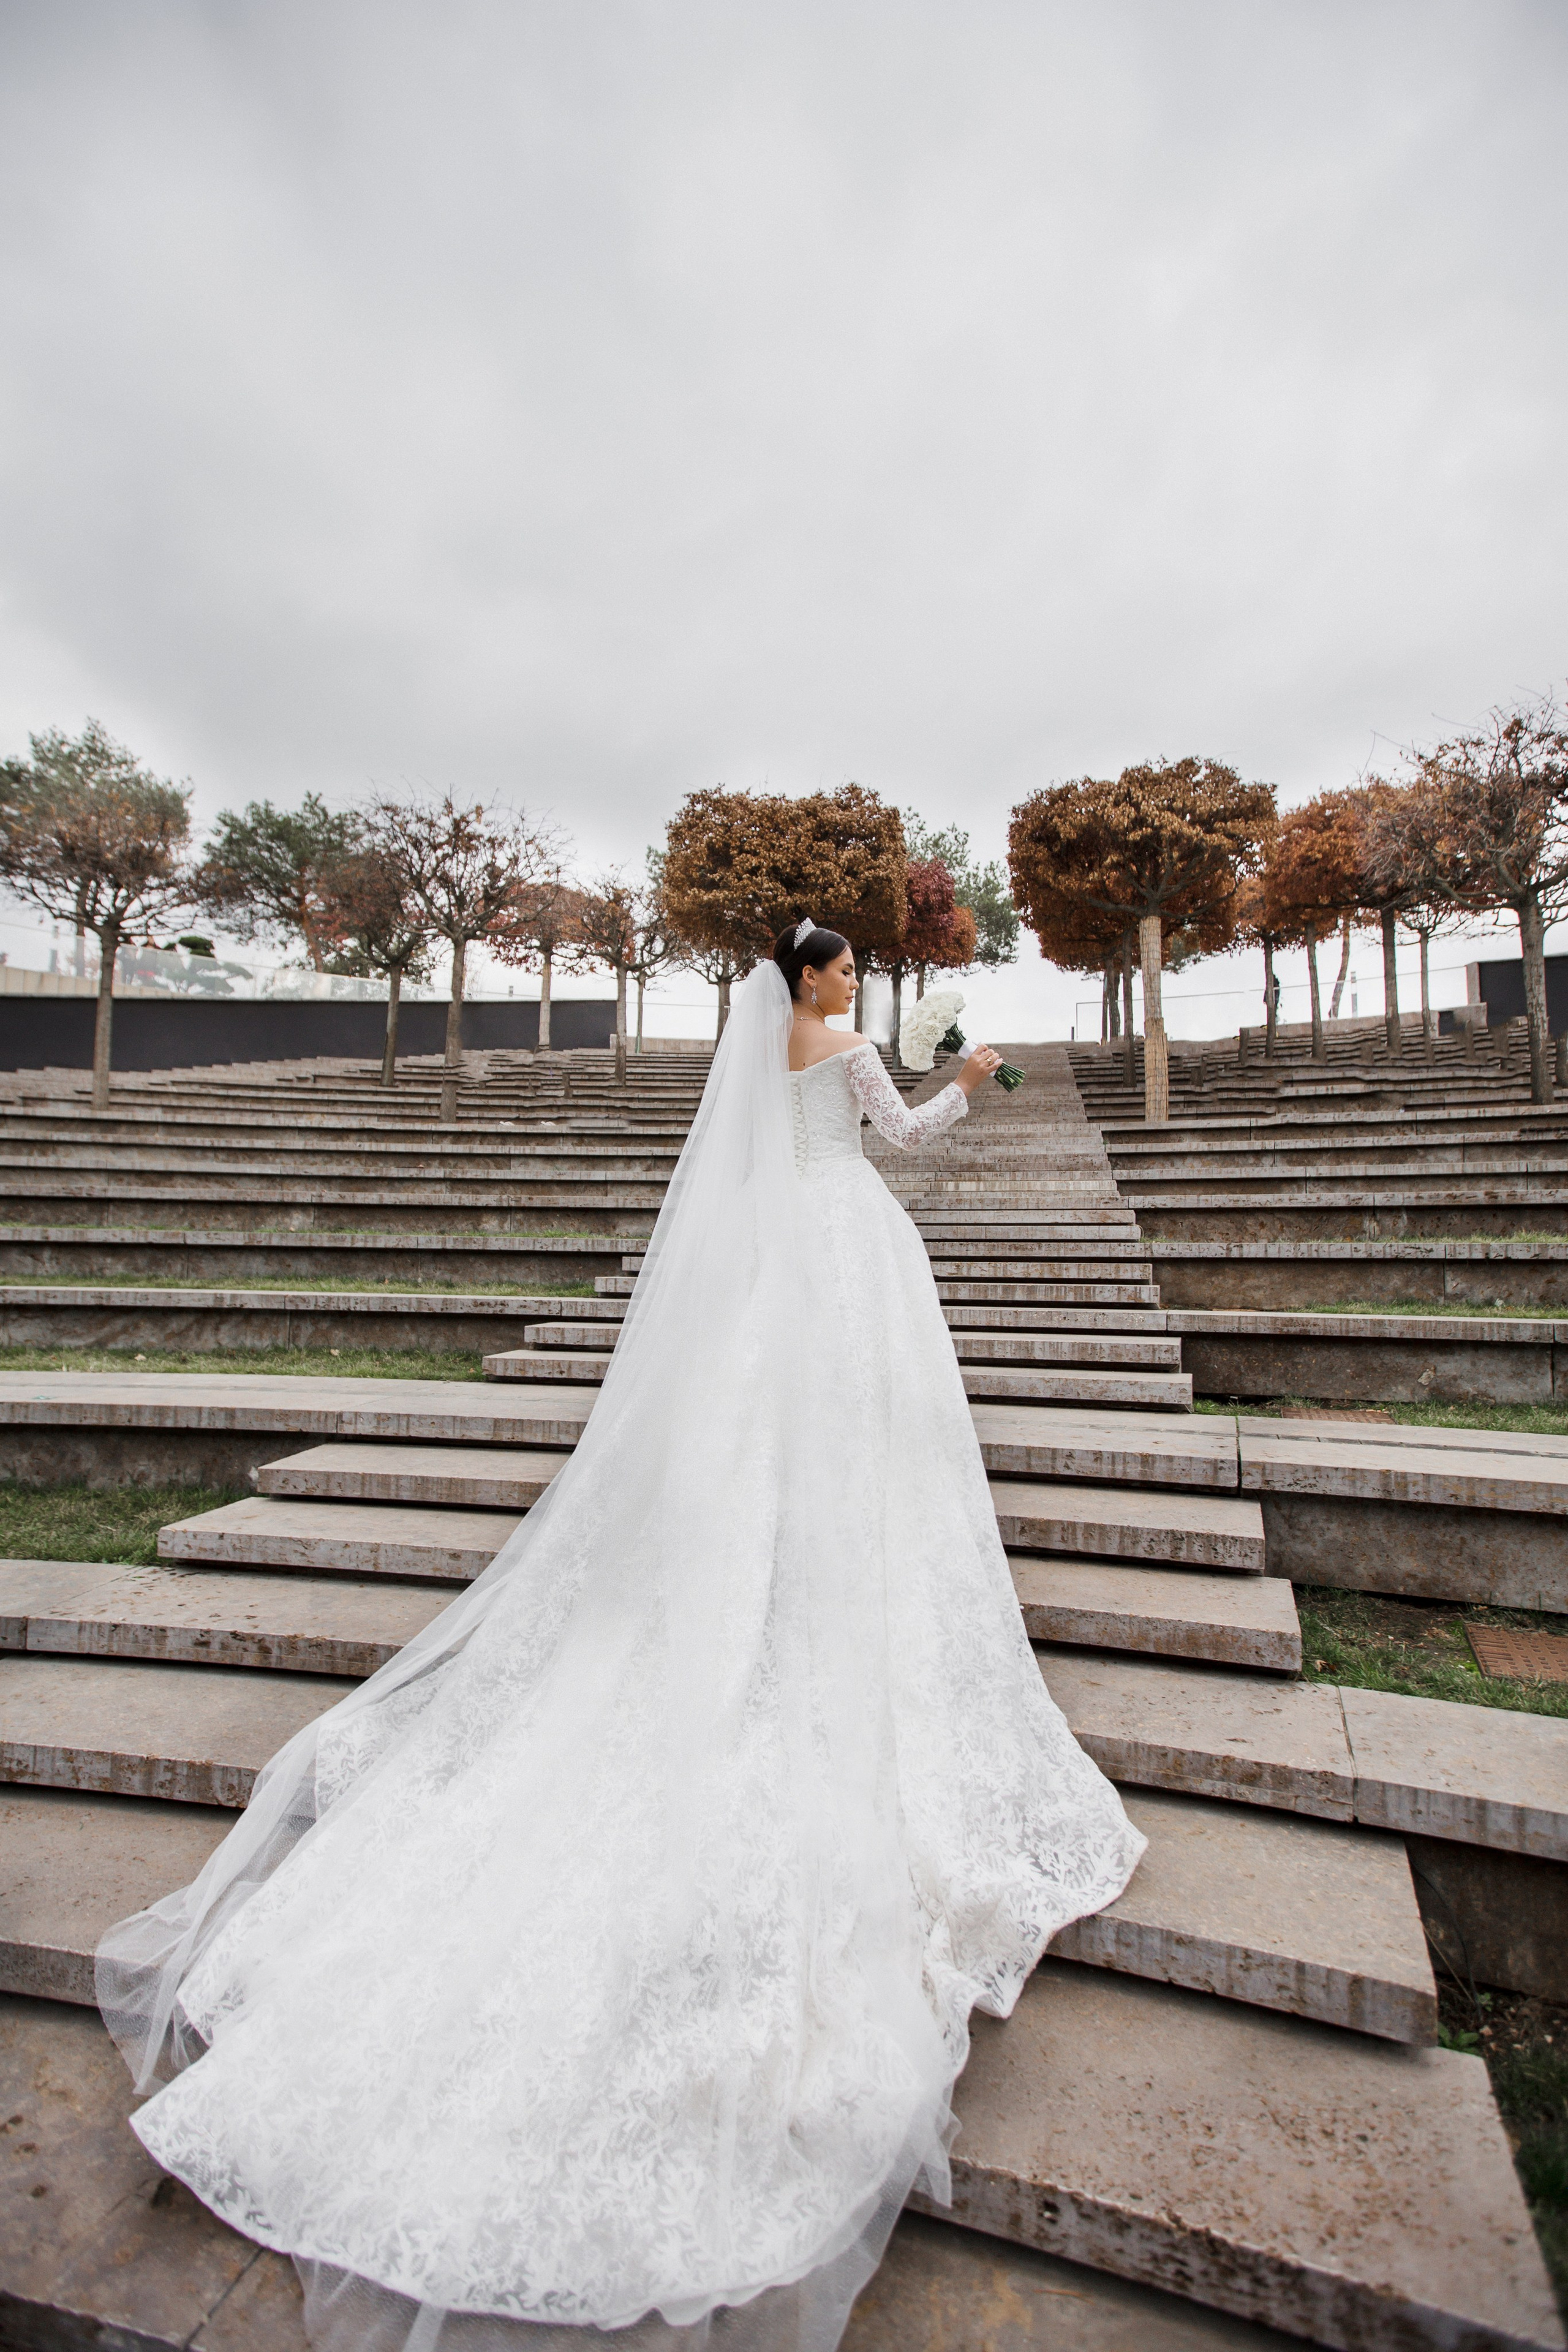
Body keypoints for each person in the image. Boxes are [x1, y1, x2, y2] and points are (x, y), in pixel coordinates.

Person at [97, 920, 1145, 2352]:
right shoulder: (839, 1045)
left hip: (793, 1271)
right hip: (852, 1259)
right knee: (862, 1446)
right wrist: (975, 1070)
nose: (846, 987)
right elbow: (904, 1141)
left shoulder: (768, 1051)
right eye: (840, 969)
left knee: (787, 1440)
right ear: (821, 976)